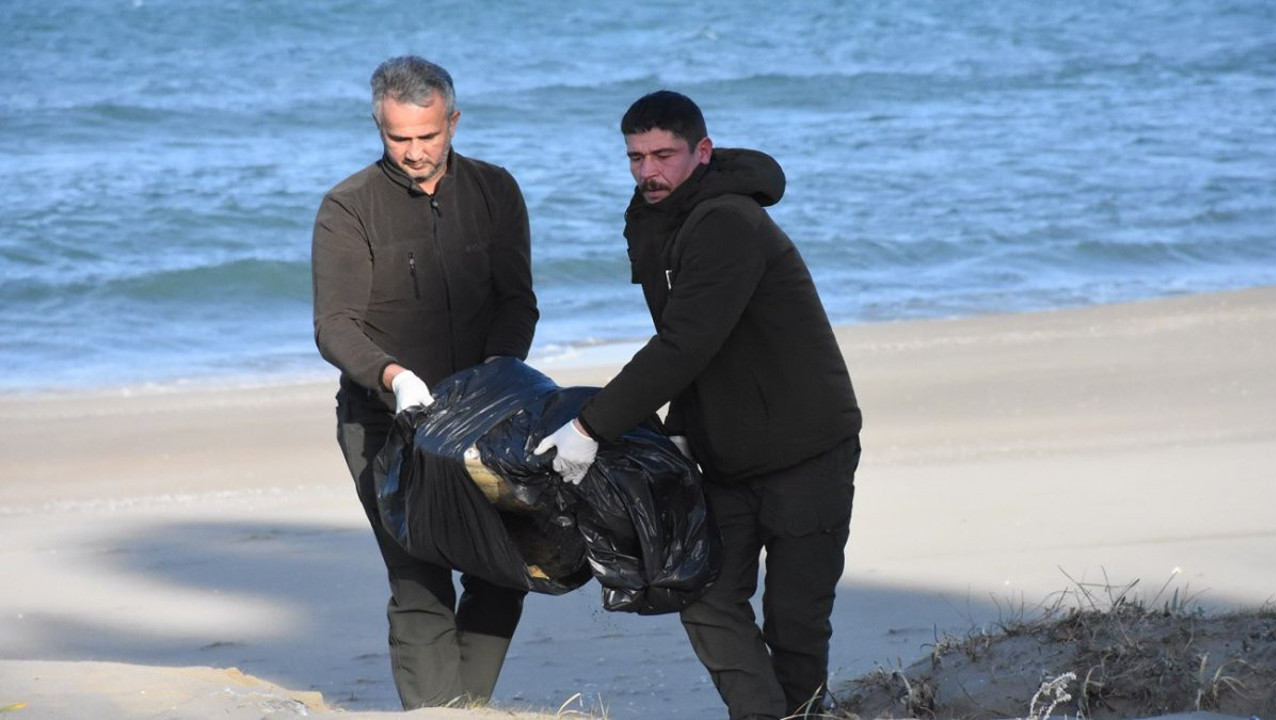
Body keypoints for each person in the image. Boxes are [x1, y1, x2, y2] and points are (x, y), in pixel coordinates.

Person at [535, 90, 862, 719]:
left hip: (808, 449)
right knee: (704, 591)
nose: (647, 172)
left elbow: (685, 342)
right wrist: (681, 429)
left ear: (702, 151)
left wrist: (590, 427)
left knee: (795, 622)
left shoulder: (728, 222)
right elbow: (687, 338)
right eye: (635, 157)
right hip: (726, 454)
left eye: (663, 155)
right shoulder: (653, 220)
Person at [311, 56, 538, 709]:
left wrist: (500, 370)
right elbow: (335, 326)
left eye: (428, 136)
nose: (413, 153)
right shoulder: (347, 208)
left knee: (507, 571)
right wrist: (396, 377)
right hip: (386, 423)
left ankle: (461, 706)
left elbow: (516, 300)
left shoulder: (496, 191)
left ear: (454, 121)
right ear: (379, 127)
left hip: (484, 417)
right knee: (419, 583)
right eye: (398, 138)